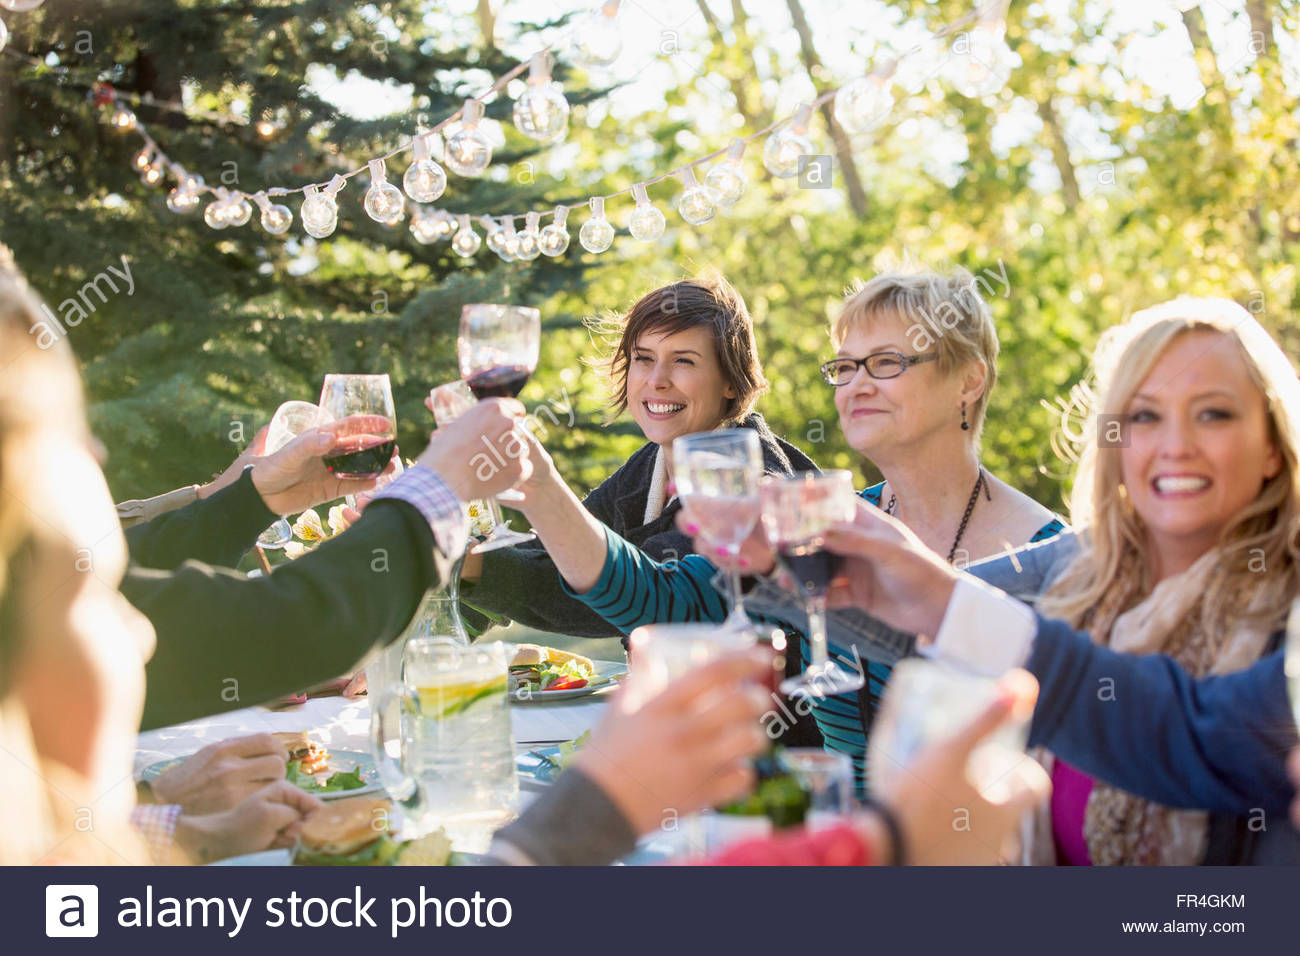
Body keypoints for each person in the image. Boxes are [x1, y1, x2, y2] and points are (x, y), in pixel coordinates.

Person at [507, 270, 1064, 788]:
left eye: (887, 362)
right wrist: (537, 482)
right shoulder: (819, 519)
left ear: (969, 381)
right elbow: (657, 599)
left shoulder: (1055, 558)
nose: (856, 385)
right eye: (846, 366)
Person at [820, 296, 1300, 864]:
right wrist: (770, 556)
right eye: (1144, 416)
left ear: (1273, 446)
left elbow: (1186, 732)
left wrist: (939, 596)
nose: (1176, 446)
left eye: (1213, 413)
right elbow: (910, 622)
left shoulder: (1285, 613)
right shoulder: (1081, 571)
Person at [456, 275, 819, 640]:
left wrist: (464, 561)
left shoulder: (751, 480)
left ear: (731, 380)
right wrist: (454, 549)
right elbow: (557, 554)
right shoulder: (648, 468)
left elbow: (633, 598)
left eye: (684, 361)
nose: (657, 380)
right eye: (643, 358)